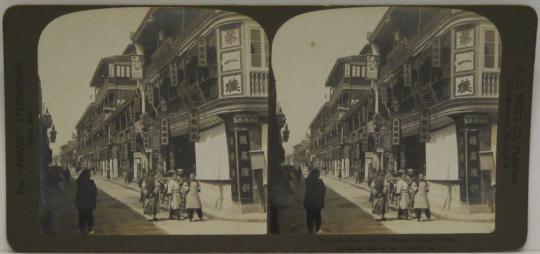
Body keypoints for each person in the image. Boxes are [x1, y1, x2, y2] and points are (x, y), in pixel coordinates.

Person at [75, 169, 97, 235]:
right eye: (89, 174)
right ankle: (90, 229)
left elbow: (77, 193)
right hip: (88, 203)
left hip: (81, 203)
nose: (90, 175)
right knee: (89, 216)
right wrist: (92, 197)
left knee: (81, 216)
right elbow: (95, 192)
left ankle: (82, 230)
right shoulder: (90, 182)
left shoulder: (79, 182)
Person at [303, 169, 326, 234]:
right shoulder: (320, 181)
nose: (319, 174)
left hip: (309, 202)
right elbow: (323, 192)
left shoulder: (307, 181)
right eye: (318, 173)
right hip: (317, 203)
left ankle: (310, 230)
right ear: (316, 174)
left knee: (309, 217)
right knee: (317, 217)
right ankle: (317, 229)